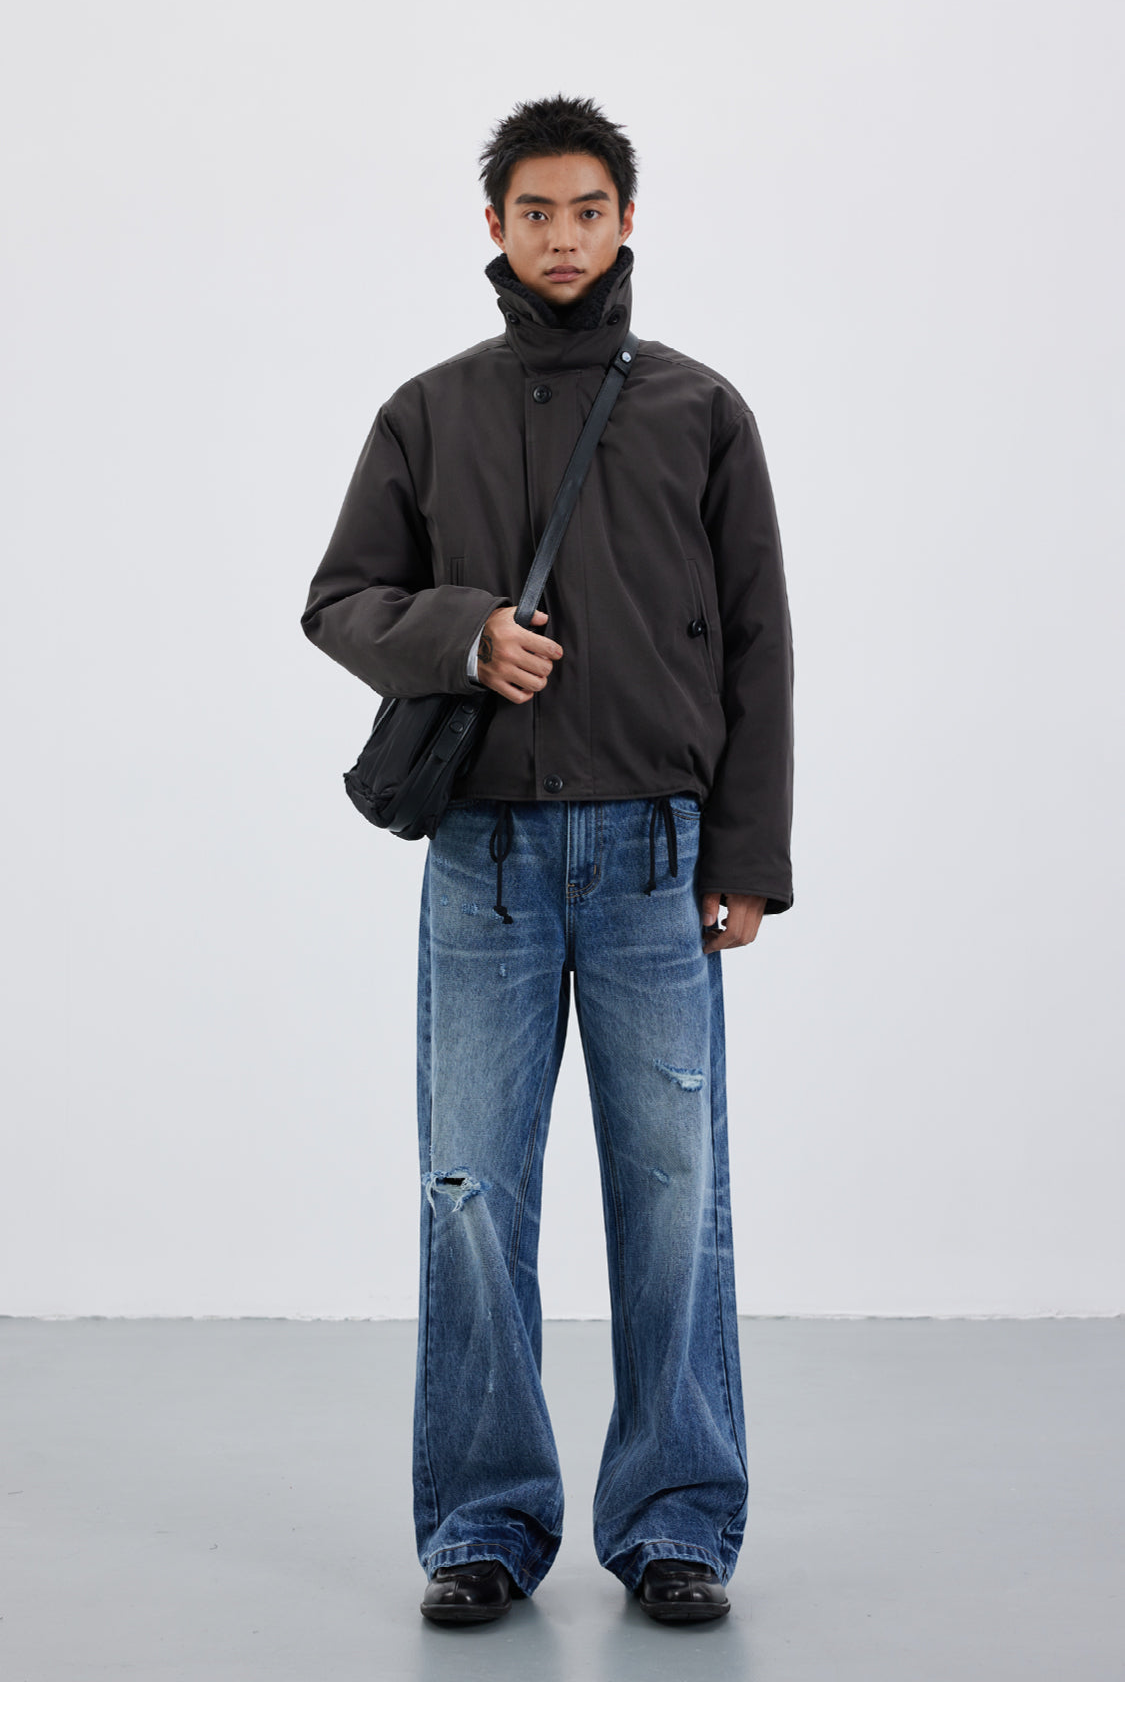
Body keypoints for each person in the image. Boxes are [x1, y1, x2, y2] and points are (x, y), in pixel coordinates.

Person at [300, 94, 795, 1628]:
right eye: (535, 212)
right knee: (467, 1190)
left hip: (656, 859)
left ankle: (675, 1523)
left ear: (626, 220)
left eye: (588, 210)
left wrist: (746, 856)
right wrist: (464, 636)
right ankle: (483, 1525)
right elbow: (338, 598)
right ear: (495, 226)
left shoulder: (702, 410)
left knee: (674, 1196)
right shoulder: (428, 409)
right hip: (486, 862)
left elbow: (760, 644)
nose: (563, 237)